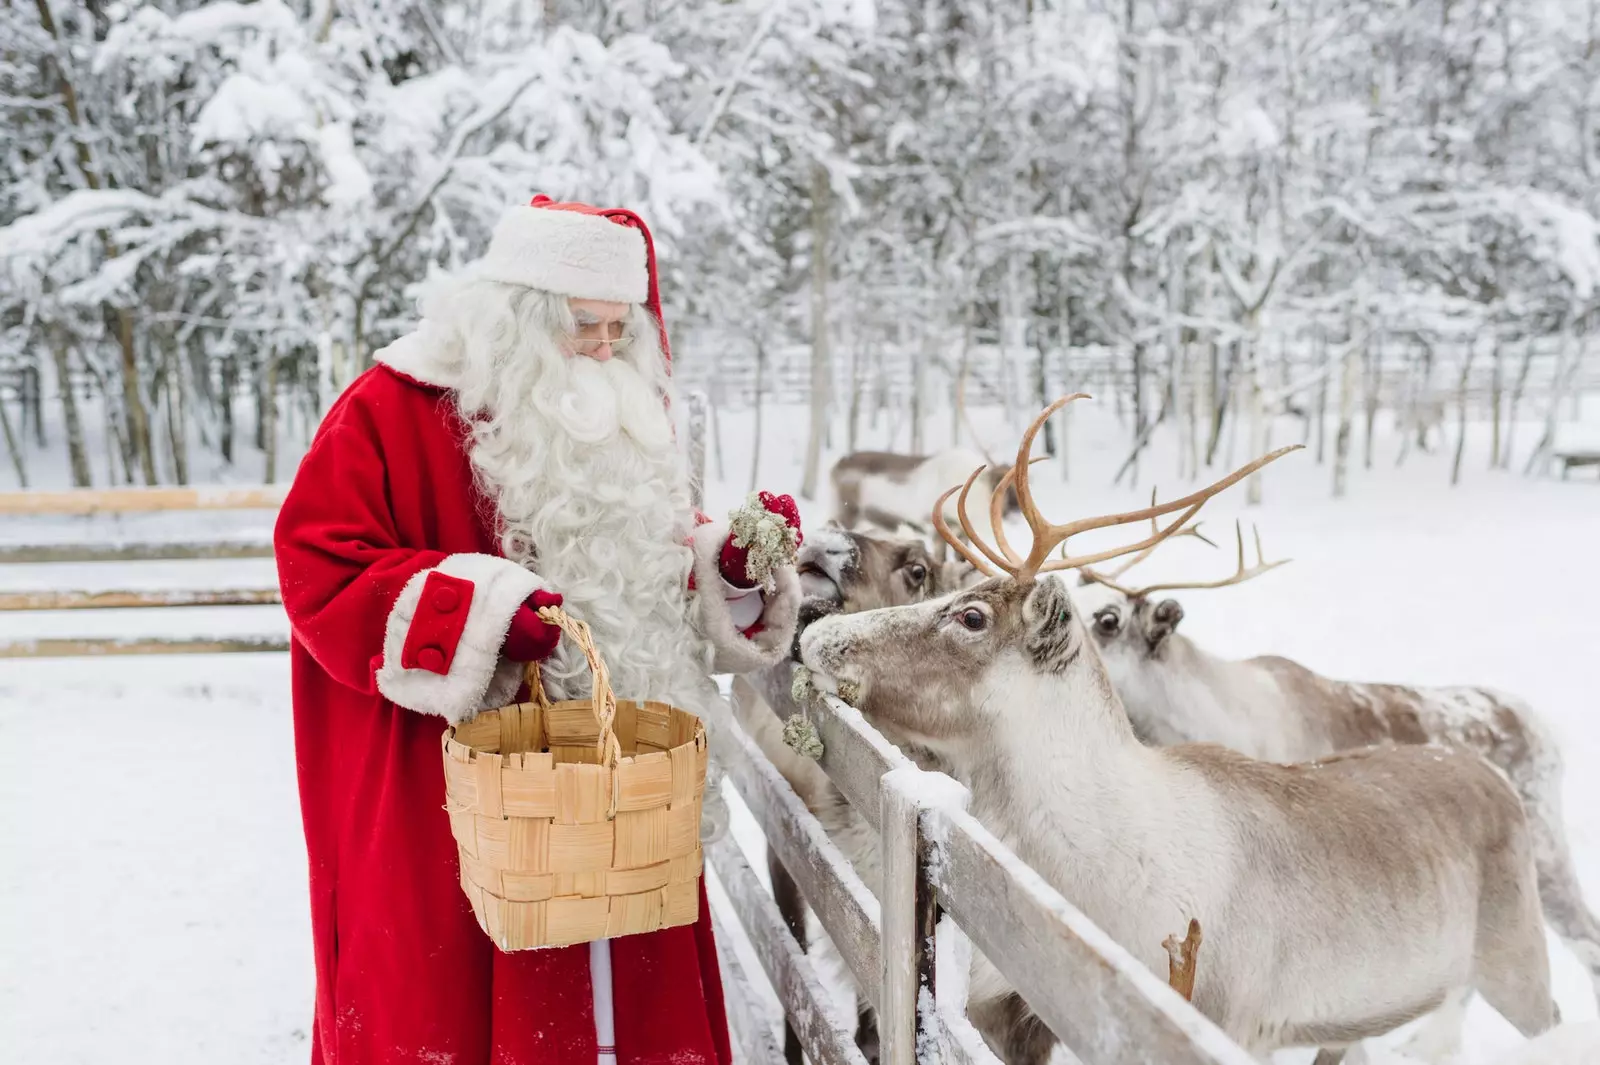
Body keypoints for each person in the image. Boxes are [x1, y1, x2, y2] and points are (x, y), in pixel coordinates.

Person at [274, 194, 804, 1065]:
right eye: (585, 328)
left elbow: (640, 574)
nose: (606, 349)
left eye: (620, 330)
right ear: (518, 319)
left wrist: (731, 567)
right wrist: (474, 612)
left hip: (618, 799)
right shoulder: (390, 406)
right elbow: (317, 562)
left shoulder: (614, 405)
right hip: (458, 796)